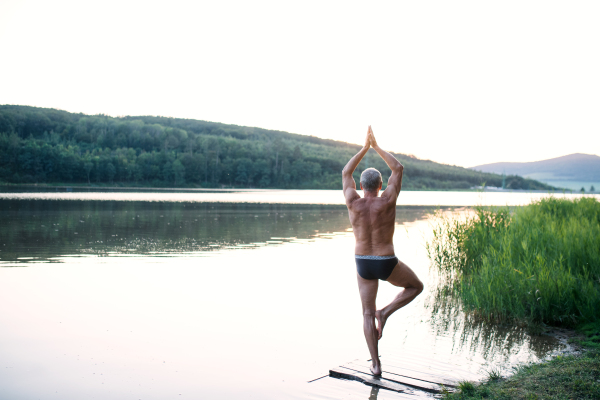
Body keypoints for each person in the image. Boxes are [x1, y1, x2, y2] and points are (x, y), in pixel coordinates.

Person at [342, 126, 424, 376]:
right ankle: (385, 312)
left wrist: (363, 149)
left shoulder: (352, 201)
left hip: (362, 262)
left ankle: (375, 365)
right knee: (416, 287)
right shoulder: (388, 199)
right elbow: (398, 168)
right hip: (386, 260)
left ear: (361, 185)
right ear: (380, 184)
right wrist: (376, 147)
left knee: (366, 314)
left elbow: (346, 171)